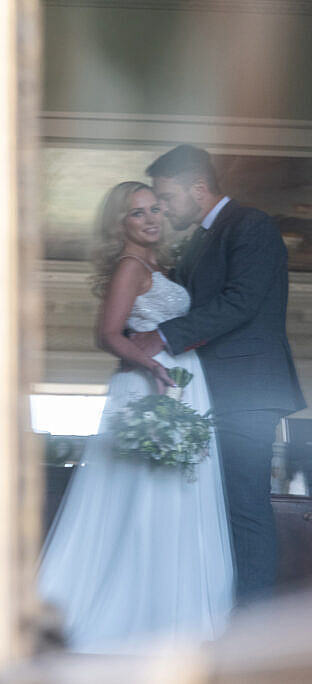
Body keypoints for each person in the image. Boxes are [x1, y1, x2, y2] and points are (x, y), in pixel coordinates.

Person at [37, 181, 234, 653]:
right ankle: (136, 615)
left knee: (171, 493)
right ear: (117, 224)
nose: (150, 218)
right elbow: (106, 335)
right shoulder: (130, 267)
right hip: (152, 386)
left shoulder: (156, 265)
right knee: (145, 495)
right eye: (136, 213)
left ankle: (171, 611)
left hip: (175, 381)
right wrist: (152, 366)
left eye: (155, 209)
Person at [131, 145, 306, 605]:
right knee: (217, 506)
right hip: (215, 392)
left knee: (244, 508)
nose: (163, 209)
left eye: (167, 198)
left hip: (247, 391)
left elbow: (240, 302)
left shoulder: (250, 225)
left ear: (199, 188)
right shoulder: (200, 241)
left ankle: (249, 629)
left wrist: (162, 336)